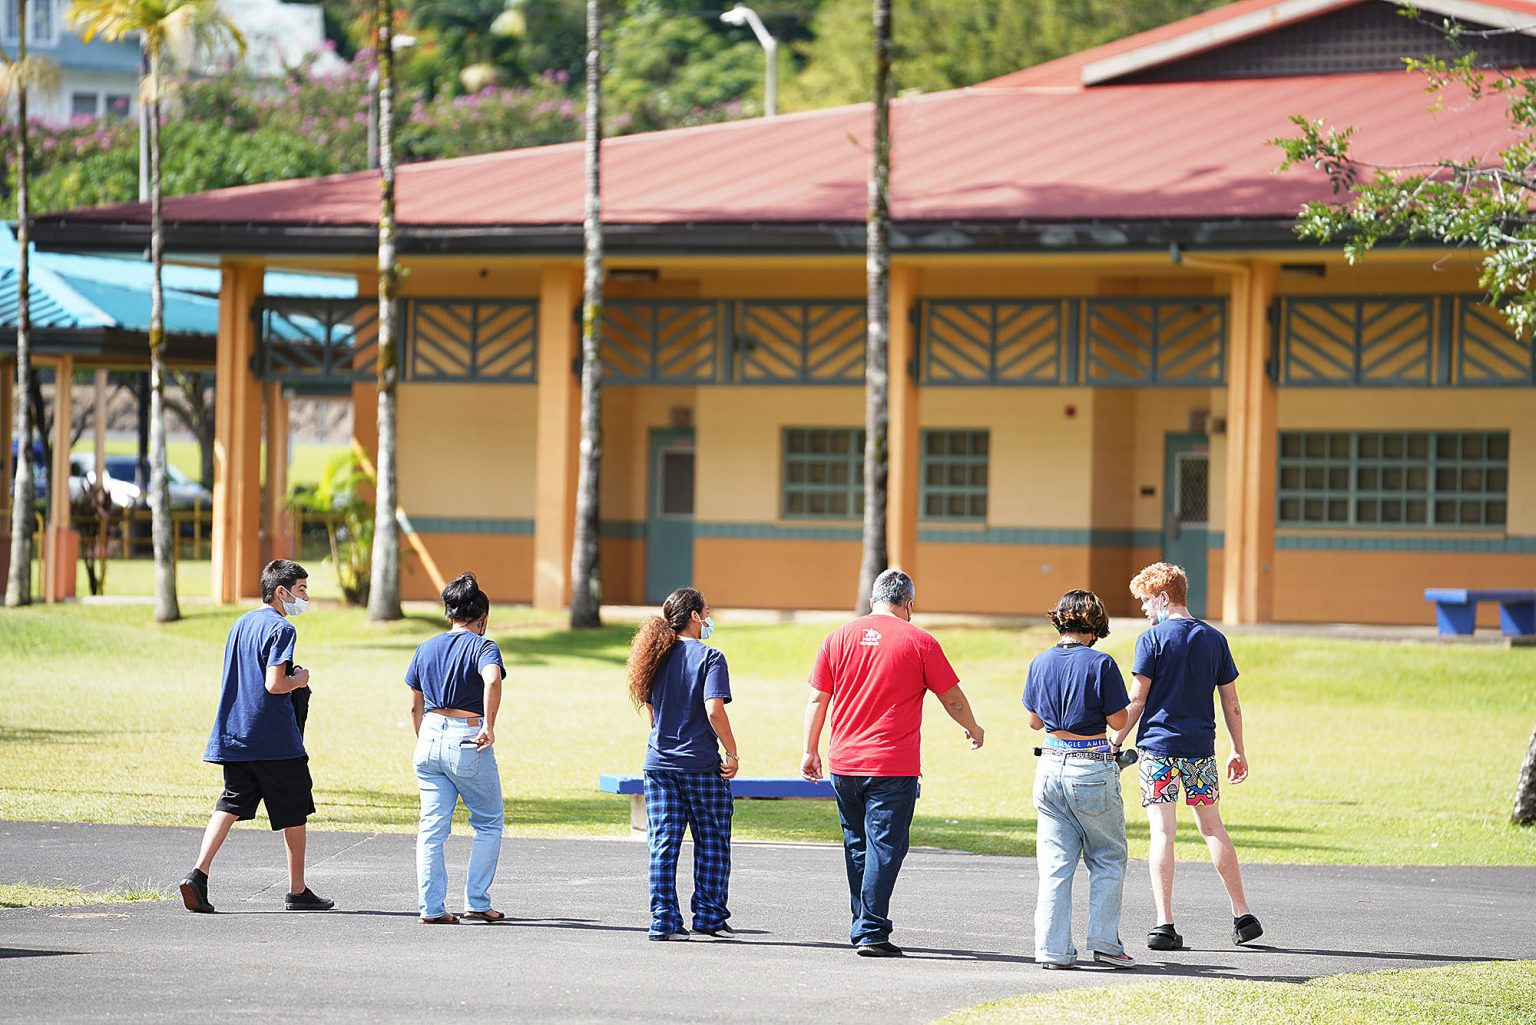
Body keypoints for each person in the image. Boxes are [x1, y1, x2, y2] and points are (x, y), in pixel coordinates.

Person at [802, 568, 985, 958]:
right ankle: (870, 929)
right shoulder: (920, 641)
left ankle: (864, 922)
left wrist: (809, 750)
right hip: (891, 764)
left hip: (845, 762)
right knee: (886, 846)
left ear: (873, 600)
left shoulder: (837, 637)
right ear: (909, 605)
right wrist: (972, 726)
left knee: (857, 844)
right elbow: (951, 697)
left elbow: (818, 699)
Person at [1113, 561, 1262, 950]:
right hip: (1200, 750)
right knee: (1213, 828)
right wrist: (1238, 750)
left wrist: (1114, 743)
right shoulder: (1214, 639)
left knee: (1163, 833)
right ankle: (1242, 914)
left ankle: (1164, 924)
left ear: (1163, 597)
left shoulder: (1152, 640)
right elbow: (1232, 703)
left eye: (1147, 601)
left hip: (1158, 751)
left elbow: (1137, 700)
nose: (1145, 609)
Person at [179, 559, 333, 914]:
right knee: (295, 810)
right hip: (275, 738)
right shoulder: (282, 629)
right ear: (281, 592)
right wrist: (300, 679)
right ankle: (297, 890)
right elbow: (274, 683)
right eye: (302, 590)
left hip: (235, 733)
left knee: (230, 803)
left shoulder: (240, 623)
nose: (306, 597)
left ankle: (198, 875)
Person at [1022, 590, 1135, 970]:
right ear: (1096, 623)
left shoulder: (1039, 662)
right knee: (1107, 857)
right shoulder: (1101, 664)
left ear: (1060, 620)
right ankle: (1104, 943)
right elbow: (1119, 722)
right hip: (1091, 766)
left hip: (1050, 763)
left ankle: (1052, 949)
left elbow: (1034, 722)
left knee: (1055, 865)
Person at [626, 587, 739, 941]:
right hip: (702, 765)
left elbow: (652, 712)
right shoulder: (710, 657)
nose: (709, 619)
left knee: (663, 843)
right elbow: (713, 709)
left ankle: (663, 920)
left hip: (659, 765)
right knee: (712, 842)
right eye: (706, 612)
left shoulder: (653, 656)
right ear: (694, 616)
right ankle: (708, 916)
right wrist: (732, 753)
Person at [407, 572, 506, 925]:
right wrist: (489, 726)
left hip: (429, 736)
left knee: (432, 829)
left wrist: (425, 738)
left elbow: (414, 705)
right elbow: (492, 679)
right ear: (483, 618)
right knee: (489, 821)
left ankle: (431, 908)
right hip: (467, 737)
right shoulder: (484, 646)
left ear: (449, 614)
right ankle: (477, 902)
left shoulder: (426, 647)